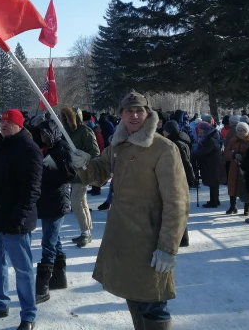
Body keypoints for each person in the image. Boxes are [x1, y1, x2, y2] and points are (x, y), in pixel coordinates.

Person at [70, 92, 189, 329]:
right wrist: (84, 163)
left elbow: (177, 201)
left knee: (153, 301)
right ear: (121, 115)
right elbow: (99, 173)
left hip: (150, 238)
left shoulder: (163, 148)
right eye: (128, 111)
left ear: (148, 114)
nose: (134, 115)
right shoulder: (118, 145)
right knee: (133, 295)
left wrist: (167, 247)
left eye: (139, 111)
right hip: (123, 235)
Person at [0, 109, 42, 330]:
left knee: (22, 270)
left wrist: (18, 218)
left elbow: (32, 189)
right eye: (2, 120)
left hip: (15, 222)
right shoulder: (1, 144)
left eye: (9, 121)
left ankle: (29, 315)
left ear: (19, 125)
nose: (3, 124)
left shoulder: (28, 149)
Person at [35, 119, 75, 304]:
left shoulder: (62, 149)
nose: (41, 136)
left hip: (57, 201)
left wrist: (45, 171)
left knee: (48, 243)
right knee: (54, 239)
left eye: (44, 133)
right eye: (40, 133)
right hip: (47, 200)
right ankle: (60, 277)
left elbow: (69, 176)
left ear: (52, 133)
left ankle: (42, 286)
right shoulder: (47, 149)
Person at [60, 106, 100, 247]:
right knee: (82, 202)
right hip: (71, 171)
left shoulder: (85, 131)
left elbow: (95, 152)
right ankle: (86, 232)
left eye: (68, 118)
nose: (66, 121)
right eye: (64, 118)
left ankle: (85, 232)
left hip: (83, 171)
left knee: (76, 202)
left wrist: (84, 157)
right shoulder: (67, 133)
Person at [162, 120, 195, 247]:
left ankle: (182, 238)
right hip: (181, 177)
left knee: (177, 208)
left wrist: (191, 176)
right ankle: (181, 238)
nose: (163, 132)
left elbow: (185, 162)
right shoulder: (182, 139)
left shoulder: (175, 144)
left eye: (165, 130)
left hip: (178, 178)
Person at [224, 122, 249, 215]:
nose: (240, 132)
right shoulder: (233, 141)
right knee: (232, 185)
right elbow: (226, 152)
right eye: (238, 130)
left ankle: (246, 207)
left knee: (246, 186)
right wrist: (233, 155)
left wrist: (243, 156)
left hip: (246, 167)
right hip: (234, 166)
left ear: (247, 131)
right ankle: (233, 206)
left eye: (242, 131)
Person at [194, 122, 225, 208]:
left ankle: (213, 201)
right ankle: (215, 200)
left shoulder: (209, 139)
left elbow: (206, 150)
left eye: (200, 130)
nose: (199, 131)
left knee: (213, 183)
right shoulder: (208, 137)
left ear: (205, 130)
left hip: (213, 164)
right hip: (213, 163)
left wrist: (196, 152)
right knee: (214, 183)